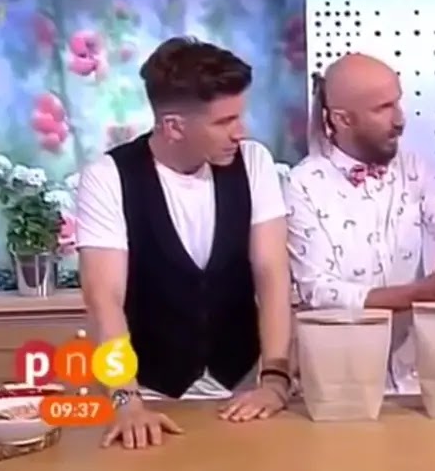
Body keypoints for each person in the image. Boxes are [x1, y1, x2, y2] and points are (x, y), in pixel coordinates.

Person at [75, 37, 293, 449]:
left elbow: (272, 274)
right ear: (174, 126)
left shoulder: (254, 163)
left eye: (240, 116)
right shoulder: (108, 178)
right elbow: (104, 299)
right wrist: (125, 401)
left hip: (244, 391)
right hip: (150, 395)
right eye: (224, 121)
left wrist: (275, 380)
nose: (240, 132)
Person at [284, 53, 435, 394]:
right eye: (383, 108)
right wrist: (420, 293)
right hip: (340, 387)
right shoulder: (302, 185)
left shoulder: (413, 168)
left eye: (398, 102)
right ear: (342, 118)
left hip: (414, 382)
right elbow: (319, 291)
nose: (400, 119)